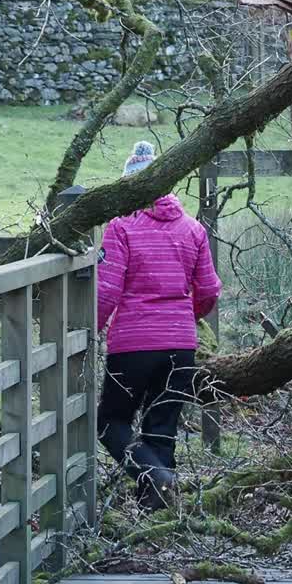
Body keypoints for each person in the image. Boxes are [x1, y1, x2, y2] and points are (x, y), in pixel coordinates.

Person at [96, 140, 222, 509]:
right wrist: (188, 317)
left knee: (110, 422)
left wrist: (90, 330)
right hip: (180, 344)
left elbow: (106, 291)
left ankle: (155, 478)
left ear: (131, 185)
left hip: (133, 343)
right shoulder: (193, 229)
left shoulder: (121, 227)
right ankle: (159, 512)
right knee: (161, 428)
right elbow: (210, 289)